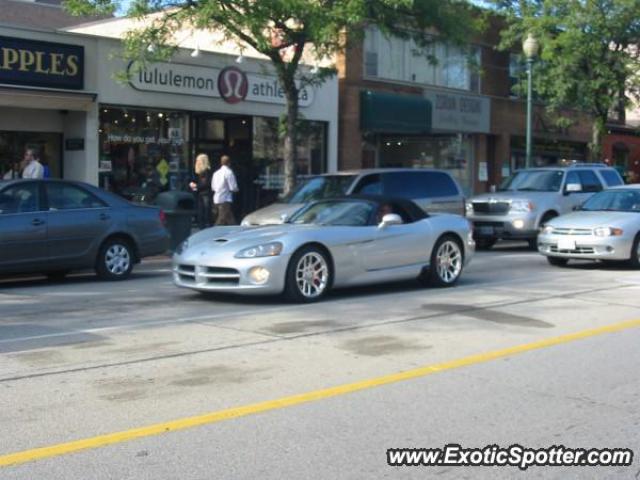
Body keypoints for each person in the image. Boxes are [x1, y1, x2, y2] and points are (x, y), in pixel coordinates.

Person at [211, 154, 239, 226]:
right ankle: (213, 232)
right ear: (229, 163)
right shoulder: (229, 173)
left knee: (229, 218)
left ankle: (235, 230)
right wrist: (236, 190)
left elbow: (213, 187)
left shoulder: (216, 173)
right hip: (225, 199)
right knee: (221, 219)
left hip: (216, 198)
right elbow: (233, 187)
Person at [189, 153, 213, 229]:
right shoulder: (200, 172)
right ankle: (202, 225)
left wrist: (196, 186)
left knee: (205, 211)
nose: (196, 162)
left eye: (198, 161)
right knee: (201, 210)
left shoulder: (206, 171)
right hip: (201, 193)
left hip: (205, 194)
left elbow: (205, 184)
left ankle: (206, 225)